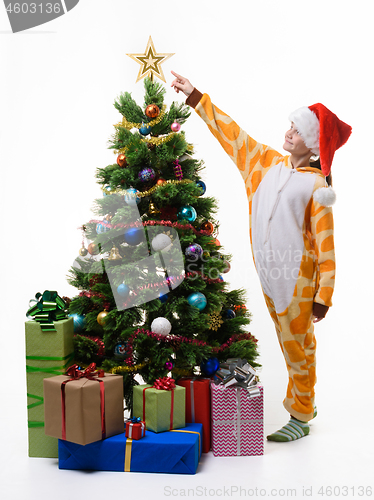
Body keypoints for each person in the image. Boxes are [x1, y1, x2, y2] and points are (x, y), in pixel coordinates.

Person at [171, 71, 352, 442]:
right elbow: (232, 135)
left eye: (298, 131)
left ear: (314, 145)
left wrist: (323, 296)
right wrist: (196, 98)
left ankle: (301, 414)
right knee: (290, 342)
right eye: (290, 126)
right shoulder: (265, 164)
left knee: (298, 347)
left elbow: (326, 246)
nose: (289, 133)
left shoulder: (317, 186)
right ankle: (307, 400)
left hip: (298, 282)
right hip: (270, 276)